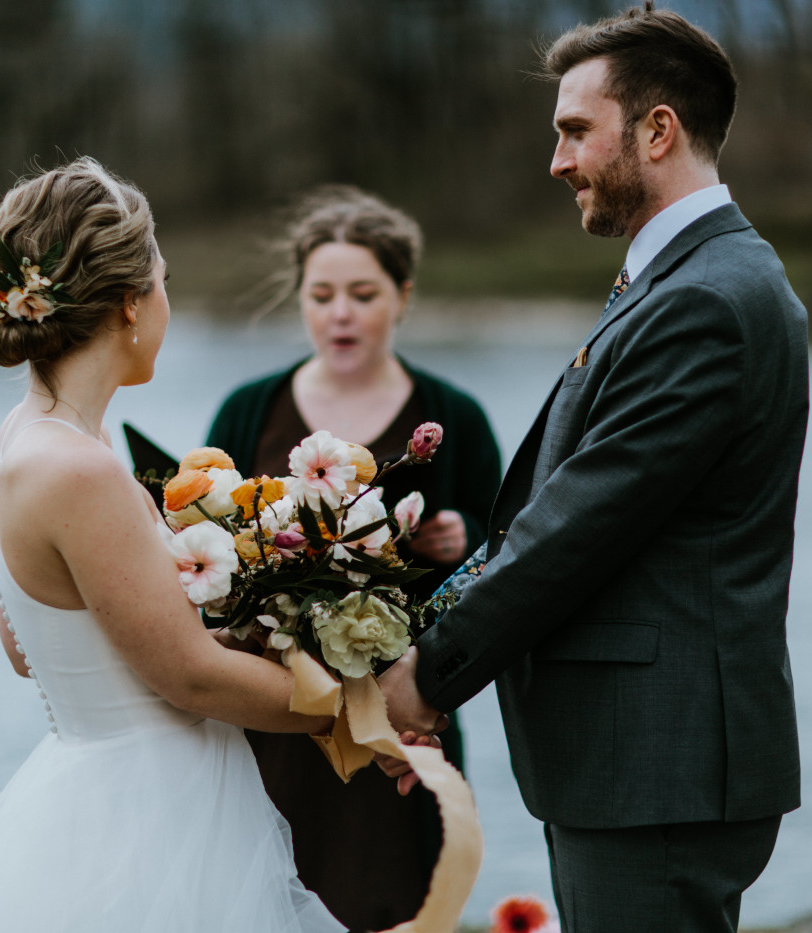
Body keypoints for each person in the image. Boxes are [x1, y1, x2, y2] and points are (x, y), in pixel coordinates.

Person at [379, 5, 808, 932]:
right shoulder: (684, 280)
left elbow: (574, 527)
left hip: (658, 768)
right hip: (638, 765)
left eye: (577, 131)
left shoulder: (708, 301)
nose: (558, 160)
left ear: (659, 130)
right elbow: (548, 520)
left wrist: (422, 675)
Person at [0, 158, 344, 933]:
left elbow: (25, 646)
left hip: (93, 783)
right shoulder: (78, 466)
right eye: (163, 280)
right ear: (131, 302)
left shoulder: (31, 436)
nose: (169, 300)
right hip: (149, 815)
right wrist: (350, 707)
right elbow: (189, 679)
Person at [204, 186, 501, 930]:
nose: (341, 312)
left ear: (401, 295)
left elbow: (511, 559)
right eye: (323, 293)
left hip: (402, 726)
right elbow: (204, 551)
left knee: (401, 906)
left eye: (363, 293)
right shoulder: (249, 409)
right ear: (300, 298)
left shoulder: (454, 415)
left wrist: (461, 538)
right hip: (273, 722)